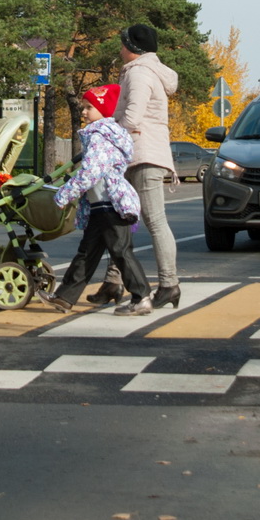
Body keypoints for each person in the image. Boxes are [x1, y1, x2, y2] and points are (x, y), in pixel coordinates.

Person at [46, 84, 151, 315]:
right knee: (88, 252)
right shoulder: (102, 135)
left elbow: (90, 172)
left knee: (121, 251)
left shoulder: (100, 137)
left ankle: (141, 297)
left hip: (110, 204)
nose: (83, 112)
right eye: (84, 107)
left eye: (89, 107)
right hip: (100, 204)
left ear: (103, 110)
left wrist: (65, 193)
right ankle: (65, 297)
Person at [104, 22, 182, 309]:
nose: (120, 48)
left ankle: (169, 284)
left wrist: (109, 135)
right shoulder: (143, 72)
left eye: (123, 43)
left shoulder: (139, 74)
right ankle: (113, 280)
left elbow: (133, 118)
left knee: (154, 221)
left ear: (133, 49)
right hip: (137, 154)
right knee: (120, 219)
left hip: (143, 155)